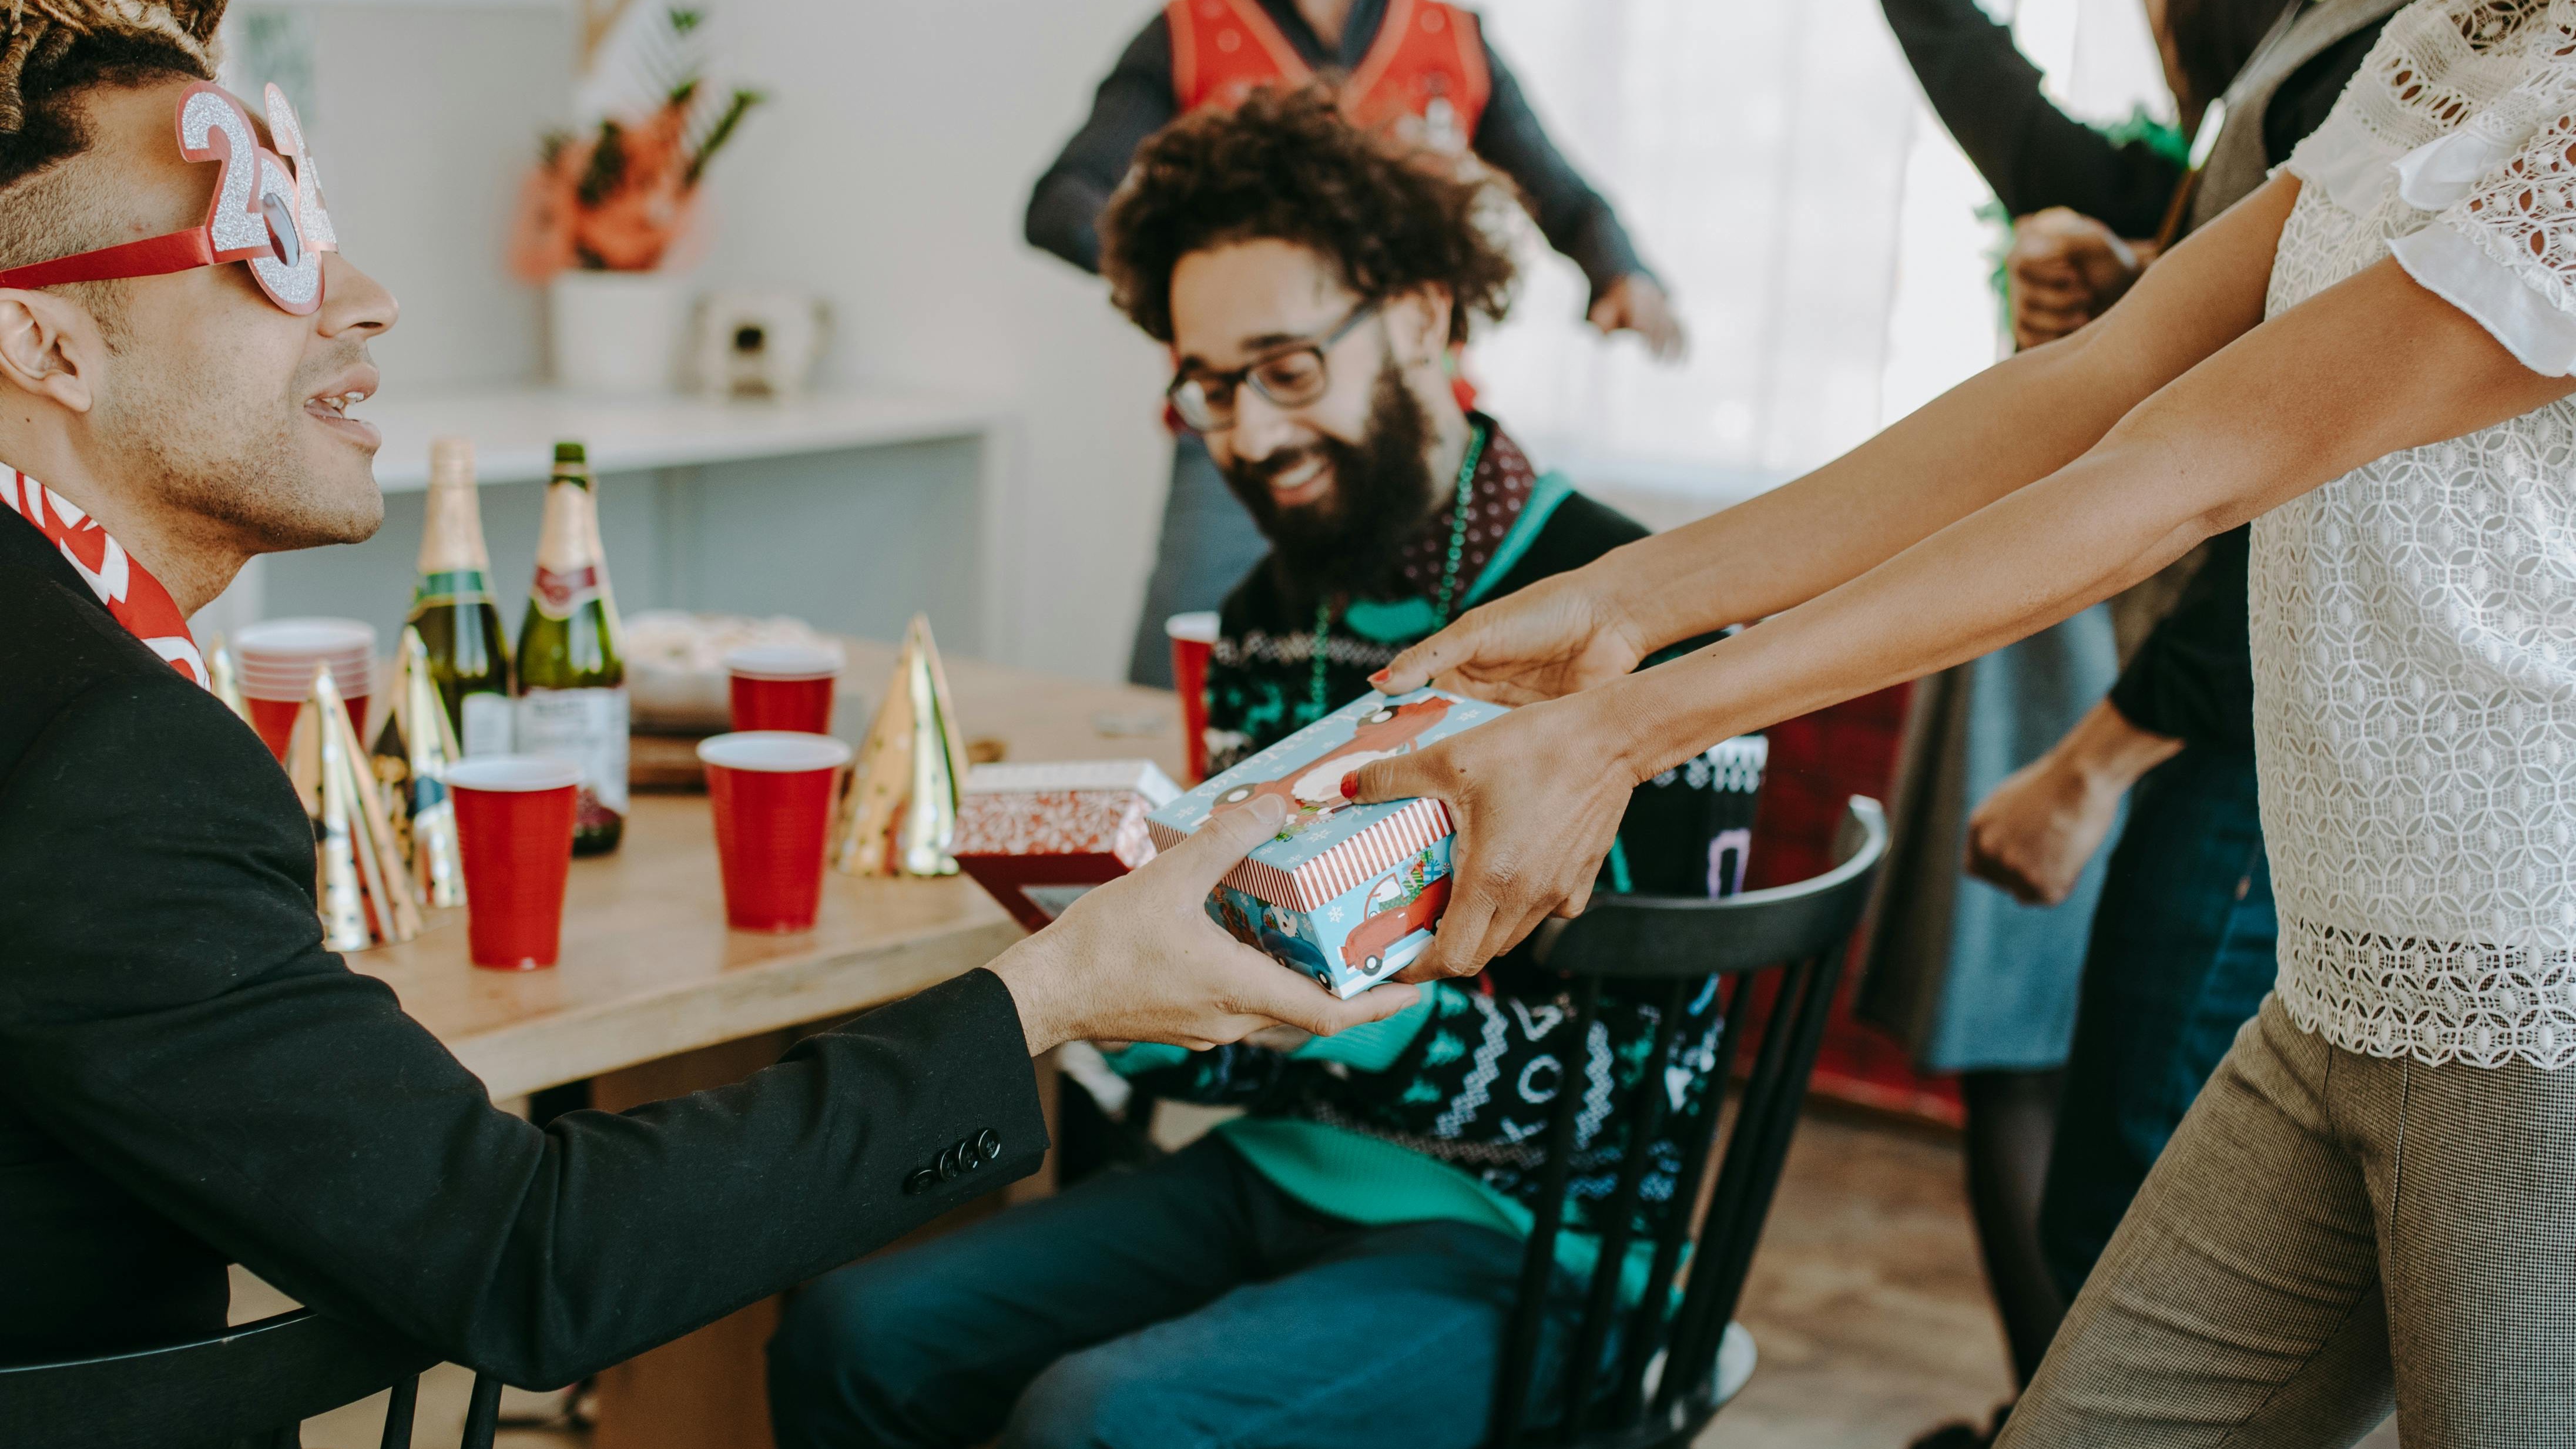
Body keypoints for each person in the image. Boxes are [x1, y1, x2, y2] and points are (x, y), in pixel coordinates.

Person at [0, 6, 1411, 1414]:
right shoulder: (110, 765)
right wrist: (1059, 987)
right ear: (46, 345)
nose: (360, 297)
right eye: (266, 245)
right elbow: (525, 1255)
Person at [1362, 0, 2576, 1436]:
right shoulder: (2463, 30)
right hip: (2341, 993)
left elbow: (2180, 468)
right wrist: (1630, 598)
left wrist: (1634, 727)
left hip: (2535, 1019)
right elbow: (2106, 376)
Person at [766, 86, 1746, 1449]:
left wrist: (1366, 1017)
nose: (1250, 436)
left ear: (1419, 309)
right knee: (851, 1332)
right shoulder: (1261, 618)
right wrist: (1136, 970)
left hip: (1548, 1249)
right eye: (1207, 387)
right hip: (1269, 1173)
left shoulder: (1652, 612)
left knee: (1094, 1423)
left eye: (1287, 369)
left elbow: (1655, 1096)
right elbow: (1239, 1059)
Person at [1876, 6, 2399, 1441]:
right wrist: (2138, 289)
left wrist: (2094, 759)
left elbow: (2297, 482)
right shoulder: (2315, 57)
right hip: (2240, 721)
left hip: (2244, 740)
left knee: (2131, 1217)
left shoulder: (2383, 61)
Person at [1025, 0, 1681, 689]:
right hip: (1224, 475)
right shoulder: (1190, 31)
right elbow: (1061, 200)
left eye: (1288, 362)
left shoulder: (1449, 35)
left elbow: (1562, 195)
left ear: (1424, 316)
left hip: (1405, 415)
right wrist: (1212, 292)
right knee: (1184, 670)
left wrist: (1620, 271)